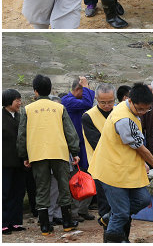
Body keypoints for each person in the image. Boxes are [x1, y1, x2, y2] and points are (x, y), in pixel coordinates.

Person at [88, 84, 153, 243]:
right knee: (122, 213)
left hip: (125, 167)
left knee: (143, 199)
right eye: (140, 109)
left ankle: (108, 218)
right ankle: (113, 239)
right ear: (130, 100)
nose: (142, 113)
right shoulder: (123, 119)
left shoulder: (127, 108)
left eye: (146, 109)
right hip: (111, 169)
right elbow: (140, 147)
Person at [17, 74, 80, 235]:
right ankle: (67, 223)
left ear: (35, 91)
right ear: (50, 90)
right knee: (63, 187)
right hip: (59, 152)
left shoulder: (27, 109)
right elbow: (70, 132)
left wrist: (24, 156)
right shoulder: (59, 108)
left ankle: (45, 226)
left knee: (42, 189)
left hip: (37, 154)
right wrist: (75, 152)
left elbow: (22, 135)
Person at [60, 76, 95, 221]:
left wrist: (86, 88)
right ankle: (73, 211)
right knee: (74, 178)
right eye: (84, 89)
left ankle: (83, 209)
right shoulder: (67, 101)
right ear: (77, 89)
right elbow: (88, 102)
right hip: (72, 146)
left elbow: (90, 100)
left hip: (85, 144)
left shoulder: (80, 102)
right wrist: (85, 85)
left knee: (87, 175)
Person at [81, 83, 115, 230]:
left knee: (119, 203)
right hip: (100, 166)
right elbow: (98, 144)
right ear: (96, 99)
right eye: (103, 102)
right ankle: (108, 235)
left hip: (120, 165)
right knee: (105, 203)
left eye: (110, 102)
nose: (107, 105)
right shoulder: (88, 116)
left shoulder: (119, 112)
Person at [3, 89, 26, 235]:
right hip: (4, 162)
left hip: (20, 161)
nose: (20, 103)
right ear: (8, 101)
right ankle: (3, 223)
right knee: (5, 193)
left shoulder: (20, 117)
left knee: (18, 192)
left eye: (20, 100)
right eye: (17, 100)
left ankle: (16, 221)